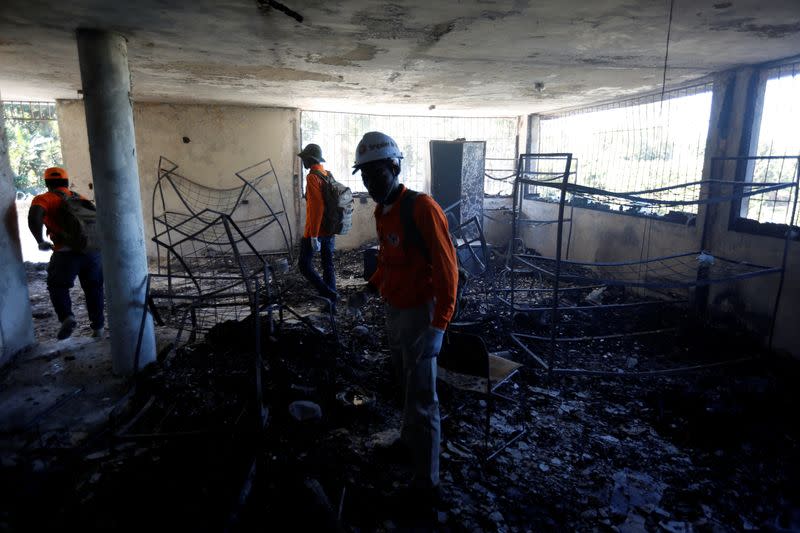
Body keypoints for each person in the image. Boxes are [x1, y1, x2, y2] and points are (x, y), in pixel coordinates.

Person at [348, 131, 458, 504]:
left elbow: (448, 271)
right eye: (363, 176)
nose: (369, 182)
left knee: (424, 396)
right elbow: (389, 263)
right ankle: (407, 442)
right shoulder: (383, 212)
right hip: (395, 310)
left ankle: (427, 484)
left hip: (421, 314)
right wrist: (370, 288)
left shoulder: (422, 209)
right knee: (405, 383)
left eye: (376, 174)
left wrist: (439, 325)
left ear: (394, 168)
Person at [28, 167, 105, 340]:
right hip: (92, 252)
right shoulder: (81, 198)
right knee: (94, 289)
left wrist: (40, 240)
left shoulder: (44, 198)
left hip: (65, 253)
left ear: (47, 183)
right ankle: (98, 328)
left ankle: (67, 317)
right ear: (66, 182)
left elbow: (35, 216)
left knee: (58, 286)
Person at [297, 143, 338, 309]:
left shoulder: (312, 177)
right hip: (329, 229)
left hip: (316, 231)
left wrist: (313, 235)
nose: (302, 162)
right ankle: (331, 305)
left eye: (304, 159)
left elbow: (317, 207)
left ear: (310, 159)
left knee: (304, 265)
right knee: (328, 266)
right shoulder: (326, 174)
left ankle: (329, 294)